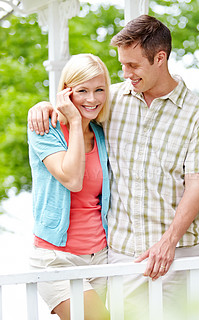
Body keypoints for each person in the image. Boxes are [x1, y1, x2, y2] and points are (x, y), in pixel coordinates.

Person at [28, 15, 199, 320]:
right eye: (122, 65)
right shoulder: (112, 99)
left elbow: (196, 186)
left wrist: (167, 243)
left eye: (133, 65)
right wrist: (43, 106)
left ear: (160, 58)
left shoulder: (198, 115)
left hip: (179, 252)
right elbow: (79, 102)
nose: (125, 73)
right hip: (120, 255)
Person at [28, 53, 111, 320]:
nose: (92, 99)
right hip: (56, 258)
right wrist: (74, 121)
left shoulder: (101, 132)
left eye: (99, 90)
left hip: (101, 256)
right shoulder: (45, 129)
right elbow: (72, 180)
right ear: (66, 92)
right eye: (82, 90)